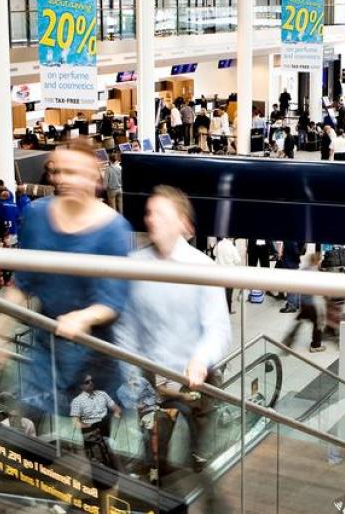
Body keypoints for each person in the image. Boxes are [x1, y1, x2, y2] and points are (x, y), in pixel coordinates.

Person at [0, 140, 133, 420]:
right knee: (29, 421)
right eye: (60, 172)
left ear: (94, 177)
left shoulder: (113, 229)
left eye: (74, 172)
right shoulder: (38, 215)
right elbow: (23, 282)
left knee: (94, 437)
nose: (64, 179)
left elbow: (112, 301)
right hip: (48, 344)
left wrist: (83, 317)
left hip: (94, 352)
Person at [116, 186, 231, 476]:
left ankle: (200, 464)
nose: (152, 220)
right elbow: (126, 325)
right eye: (150, 213)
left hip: (196, 375)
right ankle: (158, 473)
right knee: (154, 444)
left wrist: (200, 359)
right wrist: (127, 370)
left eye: (161, 214)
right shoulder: (135, 264)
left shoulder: (201, 266)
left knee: (201, 443)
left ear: (182, 222)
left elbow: (217, 327)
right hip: (152, 372)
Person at [69, 374, 122, 469]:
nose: (91, 383)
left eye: (91, 380)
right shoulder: (77, 401)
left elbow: (116, 409)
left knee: (113, 460)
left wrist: (116, 414)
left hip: (106, 429)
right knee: (98, 463)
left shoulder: (102, 394)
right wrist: (89, 425)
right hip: (91, 434)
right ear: (81, 386)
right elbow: (75, 423)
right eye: (87, 382)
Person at [281, 251, 327, 352]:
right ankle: (316, 345)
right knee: (318, 323)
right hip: (312, 305)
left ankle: (289, 339)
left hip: (303, 303)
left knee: (299, 321)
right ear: (317, 261)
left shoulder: (304, 270)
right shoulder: (316, 273)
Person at [212, 237, 243, 313]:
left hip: (219, 272)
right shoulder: (232, 247)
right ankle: (228, 310)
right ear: (232, 239)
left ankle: (218, 309)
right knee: (229, 292)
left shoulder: (219, 244)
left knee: (219, 292)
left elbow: (214, 253)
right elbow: (238, 260)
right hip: (229, 273)